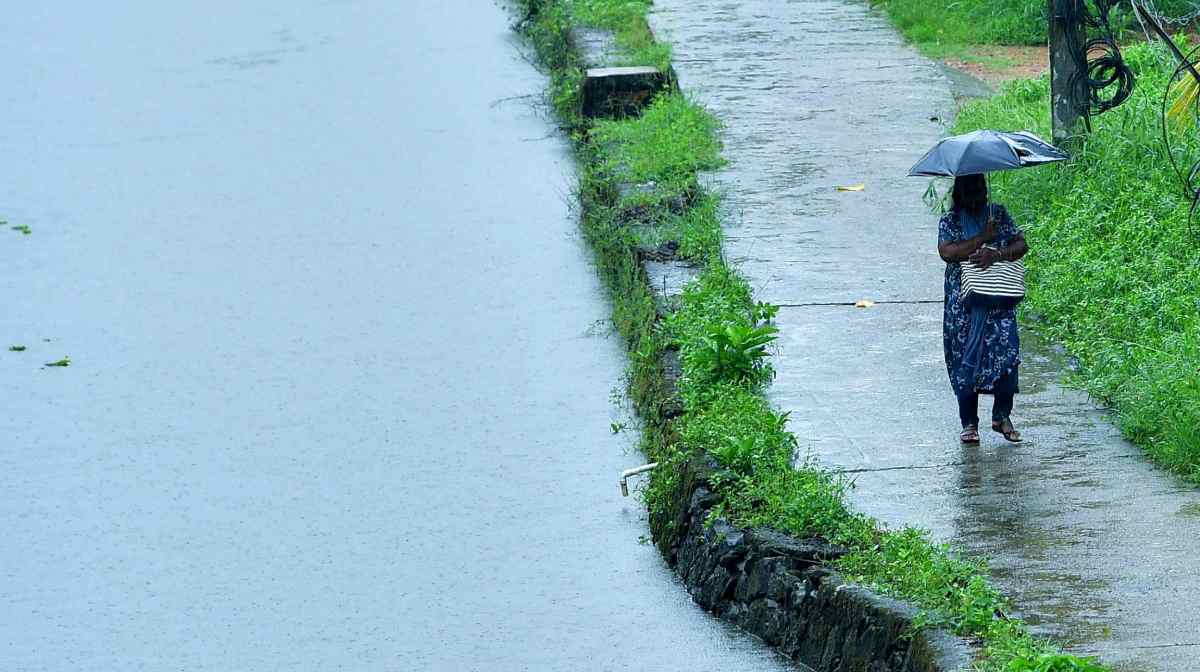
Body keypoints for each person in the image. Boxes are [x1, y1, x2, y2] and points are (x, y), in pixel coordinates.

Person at [937, 174, 1028, 444]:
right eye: (971, 189)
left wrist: (996, 253)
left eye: (981, 188)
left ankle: (1001, 416)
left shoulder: (997, 214)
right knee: (965, 358)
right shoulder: (950, 221)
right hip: (963, 305)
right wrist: (982, 238)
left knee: (1007, 355)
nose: (978, 194)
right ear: (959, 192)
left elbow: (1021, 244)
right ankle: (969, 423)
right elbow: (948, 252)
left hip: (998, 301)